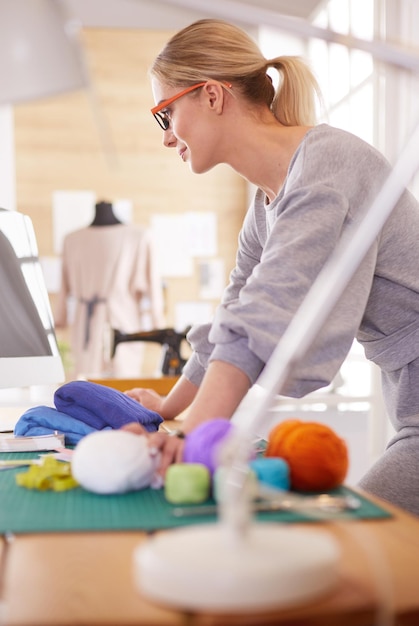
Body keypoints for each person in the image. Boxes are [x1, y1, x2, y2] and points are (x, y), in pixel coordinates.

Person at [124, 18, 419, 516]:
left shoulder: (327, 165)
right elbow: (236, 312)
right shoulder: (266, 205)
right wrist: (170, 409)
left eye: (165, 113)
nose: (167, 137)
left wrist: (195, 435)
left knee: (362, 540)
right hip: (408, 399)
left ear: (212, 96)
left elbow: (267, 311)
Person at [55, 200, 165, 378]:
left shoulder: (140, 237)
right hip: (87, 324)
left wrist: (157, 322)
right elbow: (64, 285)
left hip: (122, 320)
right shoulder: (71, 240)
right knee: (87, 382)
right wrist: (59, 317)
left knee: (124, 381)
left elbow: (153, 283)